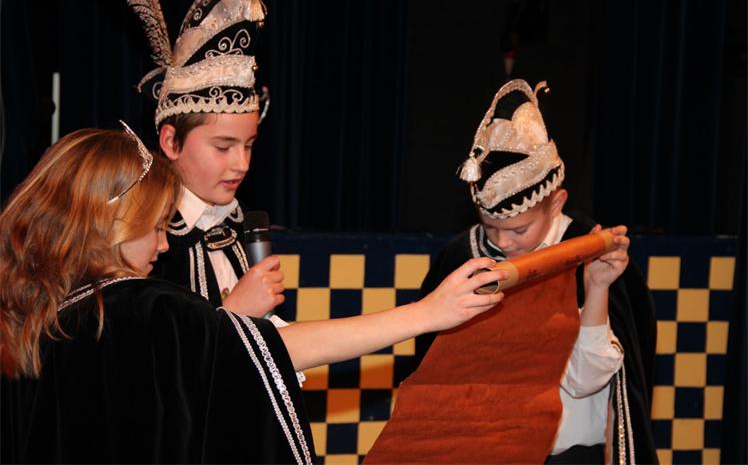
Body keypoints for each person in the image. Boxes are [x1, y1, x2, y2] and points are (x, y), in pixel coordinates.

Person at [0, 126, 505, 464]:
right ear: (113, 222)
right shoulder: (140, 308)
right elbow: (284, 349)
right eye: (154, 227)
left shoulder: (44, 306)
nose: (163, 244)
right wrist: (426, 313)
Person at [414, 79, 658, 464]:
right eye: (490, 227)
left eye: (518, 230)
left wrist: (596, 289)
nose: (503, 242)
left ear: (557, 203)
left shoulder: (590, 254)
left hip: (570, 454)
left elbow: (584, 381)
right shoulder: (463, 255)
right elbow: (436, 371)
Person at [102, 0, 282, 316]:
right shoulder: (143, 238)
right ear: (171, 142)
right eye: (223, 147)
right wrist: (233, 313)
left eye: (248, 145)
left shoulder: (238, 223)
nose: (242, 164)